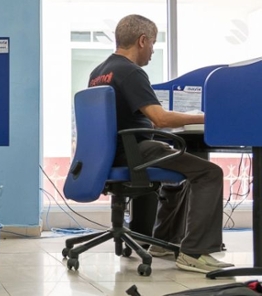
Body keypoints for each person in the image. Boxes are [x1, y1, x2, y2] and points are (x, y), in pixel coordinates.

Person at [88, 14, 234, 274]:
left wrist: (159, 122)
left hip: (113, 152)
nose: (153, 51)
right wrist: (208, 116)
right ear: (142, 40)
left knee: (182, 172)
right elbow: (160, 118)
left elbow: (138, 119)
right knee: (209, 173)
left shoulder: (100, 72)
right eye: (154, 44)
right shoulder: (131, 71)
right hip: (135, 151)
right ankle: (194, 252)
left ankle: (163, 242)